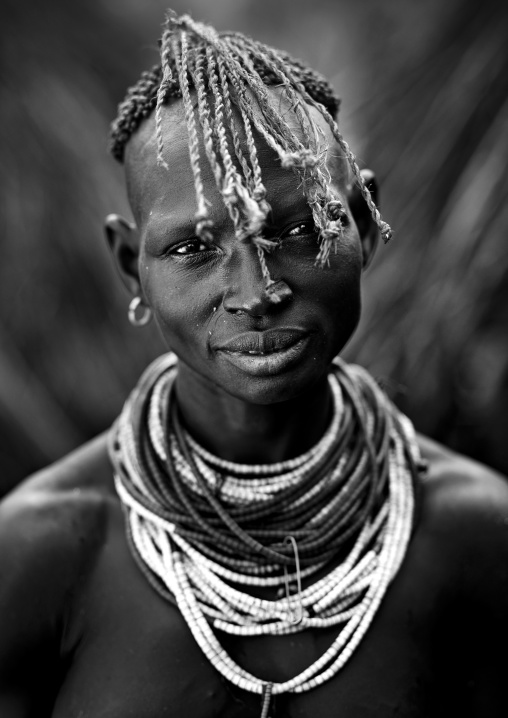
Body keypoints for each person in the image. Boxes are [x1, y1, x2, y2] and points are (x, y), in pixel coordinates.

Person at [1, 11, 507, 718]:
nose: (257, 290)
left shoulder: (477, 540)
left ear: (363, 224)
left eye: (298, 231)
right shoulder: (41, 555)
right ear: (129, 268)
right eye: (193, 249)